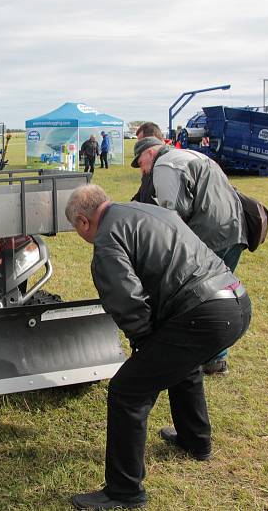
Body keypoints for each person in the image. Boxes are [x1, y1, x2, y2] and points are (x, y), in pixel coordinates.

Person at [66, 184, 252, 510]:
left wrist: (143, 344)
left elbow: (126, 300)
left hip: (204, 313)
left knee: (128, 390)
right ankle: (195, 441)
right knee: (182, 362)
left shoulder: (107, 240)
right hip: (235, 300)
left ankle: (124, 492)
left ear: (83, 222)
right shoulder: (146, 210)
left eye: (77, 229)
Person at [131, 137, 248, 375]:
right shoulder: (194, 156)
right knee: (219, 297)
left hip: (208, 239)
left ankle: (187, 359)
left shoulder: (165, 165)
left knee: (193, 299)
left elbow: (172, 215)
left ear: (151, 153)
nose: (142, 170)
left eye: (141, 163)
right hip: (236, 232)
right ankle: (216, 361)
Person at [131, 122, 164, 203]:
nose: (140, 145)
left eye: (142, 141)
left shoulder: (167, 168)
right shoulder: (150, 166)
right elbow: (143, 193)